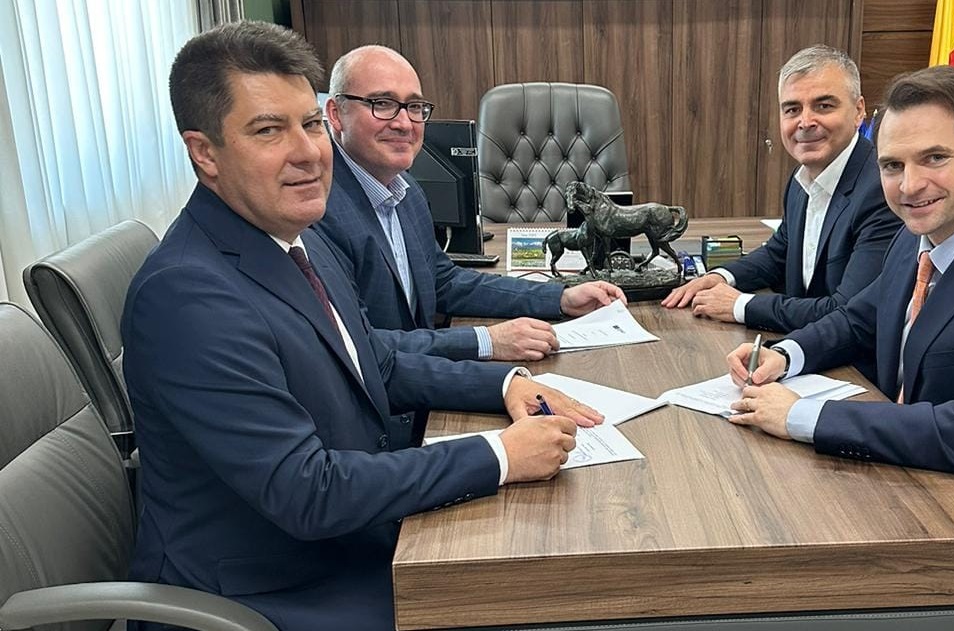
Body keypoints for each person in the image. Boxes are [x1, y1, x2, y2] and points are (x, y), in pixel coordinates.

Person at [121, 22, 598, 631]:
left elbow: (376, 361)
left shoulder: (294, 238)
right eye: (268, 130)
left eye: (308, 125)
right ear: (204, 153)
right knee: (536, 599)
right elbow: (308, 491)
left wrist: (505, 385)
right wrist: (498, 455)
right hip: (273, 590)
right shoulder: (187, 295)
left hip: (348, 540)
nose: (308, 152)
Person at [724, 66, 954, 631]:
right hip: (907, 493)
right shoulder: (920, 232)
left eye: (934, 158)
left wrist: (801, 416)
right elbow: (862, 317)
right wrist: (787, 353)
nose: (909, 185)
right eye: (892, 165)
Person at [314, 45, 626, 364]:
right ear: (336, 114)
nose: (405, 123)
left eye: (415, 106)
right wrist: (486, 341)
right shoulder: (318, 213)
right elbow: (358, 346)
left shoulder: (406, 191)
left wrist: (561, 297)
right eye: (382, 104)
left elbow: (444, 282)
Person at [661, 45, 901, 334]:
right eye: (792, 109)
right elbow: (779, 252)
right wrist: (722, 276)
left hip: (850, 355)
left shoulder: (881, 190)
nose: (805, 122)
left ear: (858, 111)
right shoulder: (801, 179)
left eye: (824, 106)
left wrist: (740, 306)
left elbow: (846, 312)